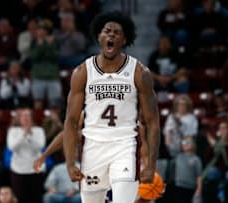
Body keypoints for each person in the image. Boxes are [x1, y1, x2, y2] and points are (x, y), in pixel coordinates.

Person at [62, 11, 160, 203]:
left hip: (125, 147)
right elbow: (71, 121)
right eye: (107, 31)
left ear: (124, 40)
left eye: (117, 33)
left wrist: (151, 164)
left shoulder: (139, 72)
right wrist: (70, 162)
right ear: (99, 36)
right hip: (93, 149)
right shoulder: (83, 72)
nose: (112, 35)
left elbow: (152, 121)